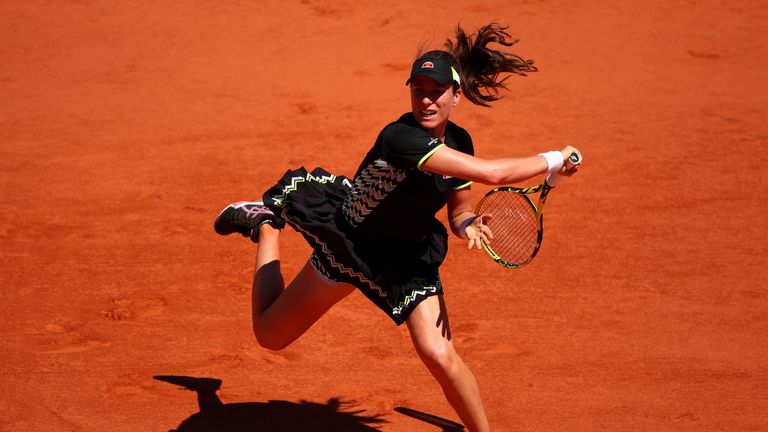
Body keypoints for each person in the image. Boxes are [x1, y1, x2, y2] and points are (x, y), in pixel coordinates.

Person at [214, 23, 581, 432]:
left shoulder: (460, 142)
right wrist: (552, 158)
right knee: (270, 335)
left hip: (405, 259)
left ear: (456, 96)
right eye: (418, 89)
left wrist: (468, 224)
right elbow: (492, 174)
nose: (425, 100)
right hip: (353, 245)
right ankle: (266, 226)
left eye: (436, 91)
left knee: (439, 354)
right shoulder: (401, 137)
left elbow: (459, 208)